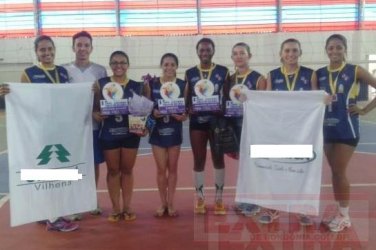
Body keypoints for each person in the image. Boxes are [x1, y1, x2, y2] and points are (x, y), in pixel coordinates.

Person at [1, 35, 79, 232]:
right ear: (36, 53)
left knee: (60, 171)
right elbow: (23, 99)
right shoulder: (29, 73)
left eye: (49, 49)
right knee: (43, 171)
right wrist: (7, 94)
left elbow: (69, 97)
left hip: (60, 129)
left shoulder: (62, 72)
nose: (47, 53)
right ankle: (53, 218)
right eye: (42, 50)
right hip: (40, 131)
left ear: (54, 50)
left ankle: (50, 212)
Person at [317, 34, 376, 232]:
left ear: (345, 49)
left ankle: (345, 216)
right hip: (326, 129)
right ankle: (341, 213)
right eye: (331, 48)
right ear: (326, 50)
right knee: (335, 173)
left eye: (338, 47)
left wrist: (365, 109)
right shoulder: (320, 73)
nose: (334, 51)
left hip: (347, 129)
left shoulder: (355, 70)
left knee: (340, 172)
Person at [259, 38, 318, 226]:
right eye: (287, 51)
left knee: (301, 170)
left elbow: (316, 100)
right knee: (276, 169)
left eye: (294, 50)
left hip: (302, 131)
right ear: (281, 54)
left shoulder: (310, 74)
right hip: (278, 131)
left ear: (300, 52)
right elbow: (266, 103)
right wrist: (249, 100)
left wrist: (323, 101)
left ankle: (301, 209)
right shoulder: (272, 75)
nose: (291, 54)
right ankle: (273, 208)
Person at [94, 50, 149, 222]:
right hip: (109, 133)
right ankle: (115, 208)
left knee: (127, 170)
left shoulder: (137, 86)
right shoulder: (101, 84)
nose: (119, 65)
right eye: (115, 62)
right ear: (110, 65)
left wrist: (145, 126)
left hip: (130, 134)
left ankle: (127, 207)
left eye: (122, 62)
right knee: (112, 171)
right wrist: (97, 115)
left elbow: (144, 113)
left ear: (128, 64)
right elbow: (95, 110)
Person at [63, 31, 107, 219]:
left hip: (94, 126)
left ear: (91, 48)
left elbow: (103, 98)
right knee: (74, 166)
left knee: (94, 164)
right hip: (72, 127)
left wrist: (99, 111)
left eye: (86, 45)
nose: (82, 48)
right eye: (79, 45)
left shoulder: (100, 70)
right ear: (73, 47)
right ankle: (73, 203)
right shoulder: (64, 70)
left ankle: (91, 198)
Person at [185, 38, 230, 215]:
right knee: (199, 160)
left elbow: (227, 97)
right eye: (202, 50)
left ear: (213, 51)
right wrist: (187, 108)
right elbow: (187, 99)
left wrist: (225, 108)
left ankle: (219, 198)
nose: (205, 53)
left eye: (208, 50)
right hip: (197, 122)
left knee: (218, 159)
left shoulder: (223, 71)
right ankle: (200, 197)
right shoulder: (189, 73)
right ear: (197, 52)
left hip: (217, 122)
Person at [224, 42, 266, 217]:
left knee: (256, 164)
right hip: (236, 126)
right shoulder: (230, 80)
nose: (239, 56)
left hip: (254, 127)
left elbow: (264, 105)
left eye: (242, 53)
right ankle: (248, 198)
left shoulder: (259, 78)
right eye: (235, 53)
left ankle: (257, 202)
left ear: (249, 55)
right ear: (232, 57)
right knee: (245, 165)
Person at [148, 53, 187, 217]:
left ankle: (171, 202)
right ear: (161, 66)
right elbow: (147, 107)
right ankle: (162, 202)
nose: (169, 67)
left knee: (173, 169)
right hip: (157, 131)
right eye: (166, 64)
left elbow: (186, 109)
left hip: (174, 130)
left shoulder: (183, 84)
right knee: (160, 169)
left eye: (172, 64)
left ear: (176, 66)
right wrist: (153, 112)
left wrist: (184, 116)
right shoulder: (152, 84)